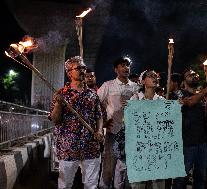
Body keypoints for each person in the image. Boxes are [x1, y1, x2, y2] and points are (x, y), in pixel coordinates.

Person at [49, 56, 104, 189]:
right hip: (69, 147)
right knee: (65, 184)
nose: (82, 70)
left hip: (91, 146)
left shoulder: (92, 94)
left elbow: (99, 116)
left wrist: (99, 130)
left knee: (91, 185)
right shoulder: (61, 94)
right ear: (69, 73)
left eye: (83, 67)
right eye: (78, 68)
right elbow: (55, 120)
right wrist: (58, 104)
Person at [97, 57, 139, 189]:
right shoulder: (108, 85)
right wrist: (103, 121)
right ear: (116, 69)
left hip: (131, 134)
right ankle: (105, 186)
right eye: (122, 65)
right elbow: (96, 104)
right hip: (113, 131)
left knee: (126, 167)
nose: (126, 68)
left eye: (128, 65)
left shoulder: (136, 87)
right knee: (109, 165)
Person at [172, 68, 207, 189]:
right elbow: (189, 102)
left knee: (201, 176)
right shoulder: (179, 93)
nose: (194, 76)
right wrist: (206, 90)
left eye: (195, 74)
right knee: (182, 178)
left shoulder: (201, 97)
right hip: (186, 142)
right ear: (184, 80)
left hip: (201, 142)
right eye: (189, 75)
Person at [129, 70, 165, 189]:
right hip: (139, 149)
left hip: (157, 149)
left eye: (156, 76)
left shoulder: (162, 101)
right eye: (150, 76)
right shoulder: (134, 100)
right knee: (138, 185)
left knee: (158, 184)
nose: (154, 78)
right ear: (143, 81)